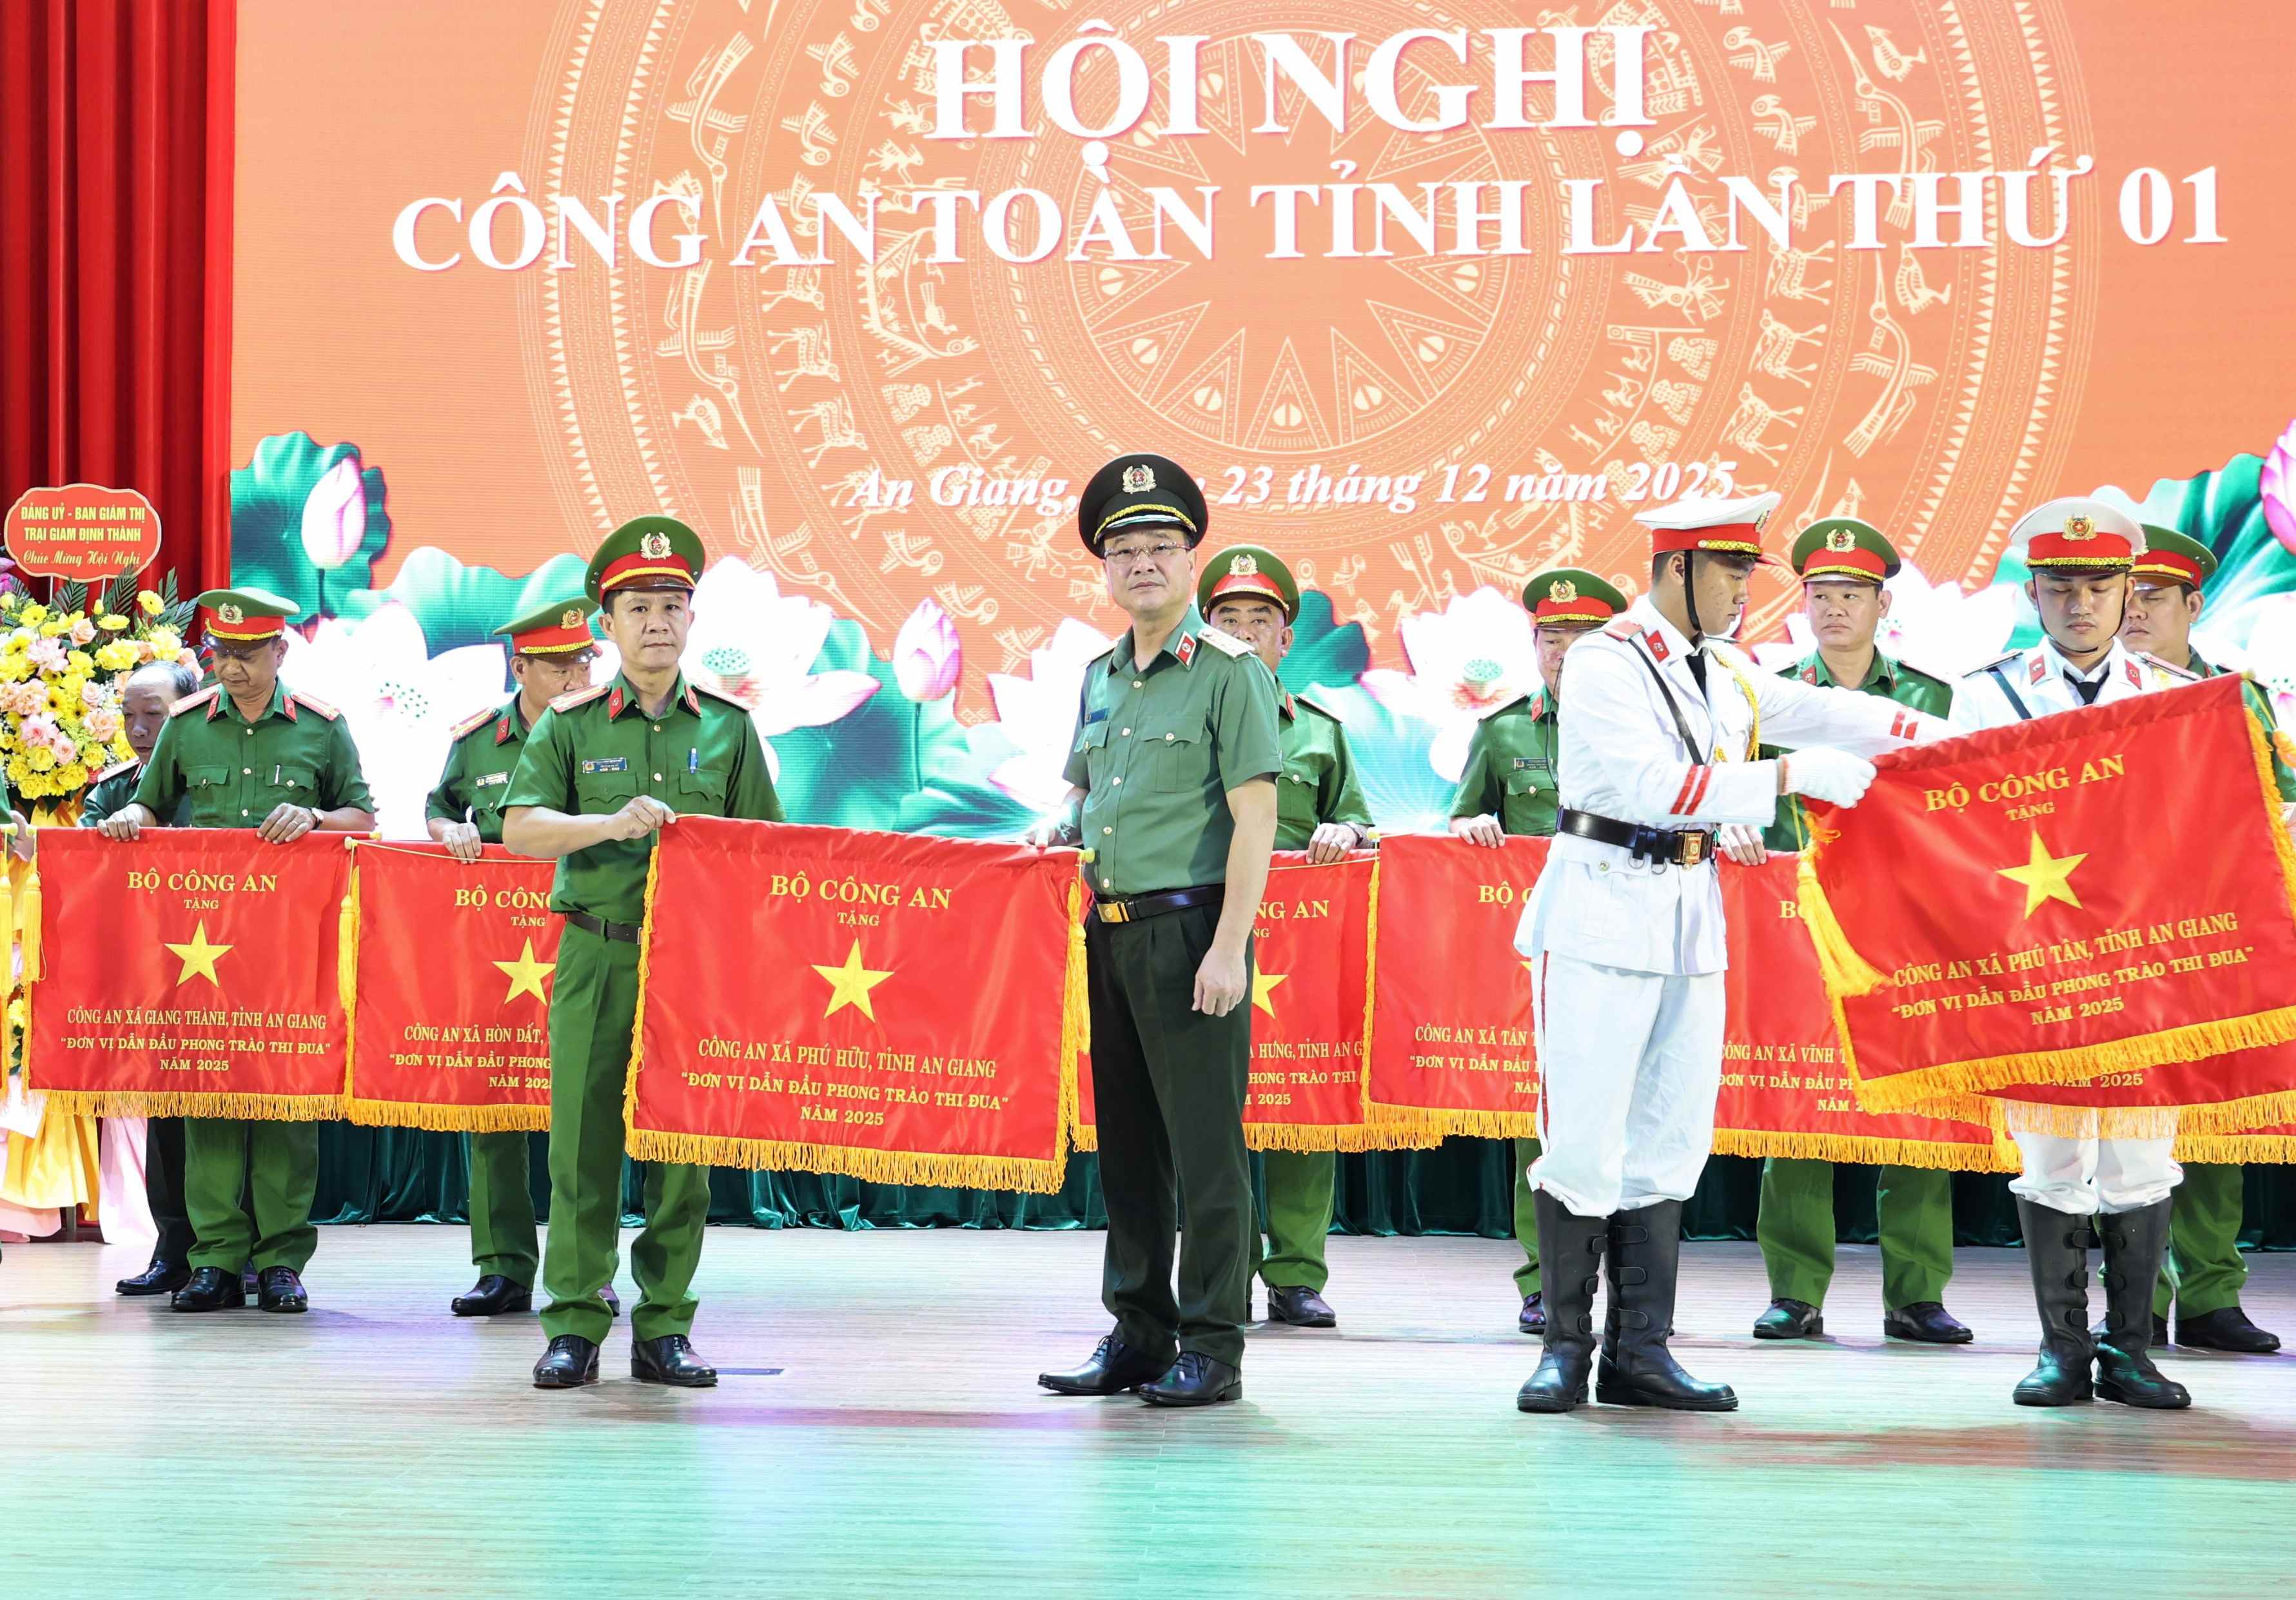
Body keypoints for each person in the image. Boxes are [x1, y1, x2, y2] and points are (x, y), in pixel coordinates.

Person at [1513, 492, 1944, 1415]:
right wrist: (1786, 776)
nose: (1746, 590)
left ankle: (1639, 1353)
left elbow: (1837, 714)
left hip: (1686, 921)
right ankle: (1563, 1350)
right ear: (1677, 568)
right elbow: (1648, 785)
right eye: (1731, 571)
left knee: (1670, 1141)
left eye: (1749, 571)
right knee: (1582, 1139)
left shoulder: (1727, 669)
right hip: (1598, 915)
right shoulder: (1604, 659)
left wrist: (1983, 741)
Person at [502, 518, 782, 1390]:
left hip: (692, 967)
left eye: (671, 607)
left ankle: (665, 1325)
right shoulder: (571, 725)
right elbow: (521, 830)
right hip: (598, 954)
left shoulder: (730, 728)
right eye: (638, 608)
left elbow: (765, 851)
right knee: (581, 1146)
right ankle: (574, 1322)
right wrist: (608, 824)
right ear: (609, 625)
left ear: (691, 620)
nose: (657, 622)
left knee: (680, 1151)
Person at [1036, 452, 1282, 1408]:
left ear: (1190, 563)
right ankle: (1139, 1332)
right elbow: (1084, 791)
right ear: (1105, 568)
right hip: (1110, 931)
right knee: (1131, 1148)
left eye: (1161, 549)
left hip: (1192, 935)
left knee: (1207, 1151)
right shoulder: (1101, 676)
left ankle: (1214, 1344)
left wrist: (1228, 948)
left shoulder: (1228, 672)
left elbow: (1255, 819)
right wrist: (1056, 825)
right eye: (1124, 551)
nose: (1142, 564)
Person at [1949, 500, 2198, 1409]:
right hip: (2035, 958)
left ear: (2129, 590)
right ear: (2033, 594)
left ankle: (2129, 1350)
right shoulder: (1986, 694)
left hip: (2143, 959)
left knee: (2141, 1157)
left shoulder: (2171, 693)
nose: (2080, 604)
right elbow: (1956, 823)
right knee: (2051, 1154)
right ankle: (2060, 1350)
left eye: (2098, 586)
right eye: (2060, 587)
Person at [99, 590, 377, 1314]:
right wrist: (131, 816)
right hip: (204, 945)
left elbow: (363, 818)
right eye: (222, 655)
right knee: (210, 1094)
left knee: (286, 1096)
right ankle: (216, 1261)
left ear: (280, 651)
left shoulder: (321, 727)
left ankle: (281, 1261)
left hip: (291, 945)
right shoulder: (187, 726)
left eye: (248, 656)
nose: (232, 669)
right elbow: (152, 803)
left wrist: (314, 816)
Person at [1748, 520, 1971, 1346]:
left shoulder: (1933, 699)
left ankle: (1917, 1295)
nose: (1834, 608)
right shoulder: (1765, 695)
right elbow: (1738, 788)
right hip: (1796, 921)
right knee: (1800, 1102)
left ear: (1883, 606)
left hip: (1908, 924)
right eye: (1820, 595)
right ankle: (1795, 1292)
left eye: (1851, 595)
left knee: (1920, 1102)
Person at [2115, 524, 2292, 1356]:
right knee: (2125, 1126)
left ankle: (2213, 1296)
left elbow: (2279, 791)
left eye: (2155, 597)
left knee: (2216, 1119)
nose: (2136, 612)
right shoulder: (2092, 697)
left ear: (2194, 605)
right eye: (2127, 596)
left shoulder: (2237, 696)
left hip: (2217, 937)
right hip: (2116, 937)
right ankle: (2134, 1301)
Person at [426, 597, 616, 1320]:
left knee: (588, 1118)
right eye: (560, 664)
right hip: (500, 948)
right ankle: (502, 1267)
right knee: (496, 1101)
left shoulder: (610, 729)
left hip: (590, 933)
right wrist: (447, 831)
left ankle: (588, 1271)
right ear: (520, 668)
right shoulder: (480, 740)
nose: (576, 676)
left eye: (584, 660)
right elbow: (438, 805)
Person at [1197, 544, 1373, 1330]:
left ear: (1284, 639)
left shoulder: (1322, 734)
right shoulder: (1179, 724)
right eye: (1228, 620)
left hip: (1300, 955)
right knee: (1212, 1113)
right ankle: (1222, 1273)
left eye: (1259, 622)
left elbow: (1360, 821)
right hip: (1204, 938)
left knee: (1303, 1107)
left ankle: (1297, 1275)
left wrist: (1346, 831)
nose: (1244, 633)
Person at [1450, 566, 1628, 1335]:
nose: (1564, 652)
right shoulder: (1502, 731)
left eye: (1581, 639)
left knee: (1631, 1118)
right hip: (1549, 952)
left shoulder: (1644, 728)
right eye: (1552, 638)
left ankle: (1632, 1282)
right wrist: (1469, 827)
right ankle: (1546, 1281)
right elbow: (1461, 818)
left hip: (1632, 942)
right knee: (1546, 1115)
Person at [84, 660, 203, 1298]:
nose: (137, 729)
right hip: (151, 973)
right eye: (128, 715)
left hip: (234, 968)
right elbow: (77, 872)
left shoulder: (215, 784)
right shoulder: (113, 793)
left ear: (189, 710)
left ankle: (245, 1252)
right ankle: (175, 1248)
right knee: (169, 1116)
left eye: (153, 714)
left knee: (244, 1109)